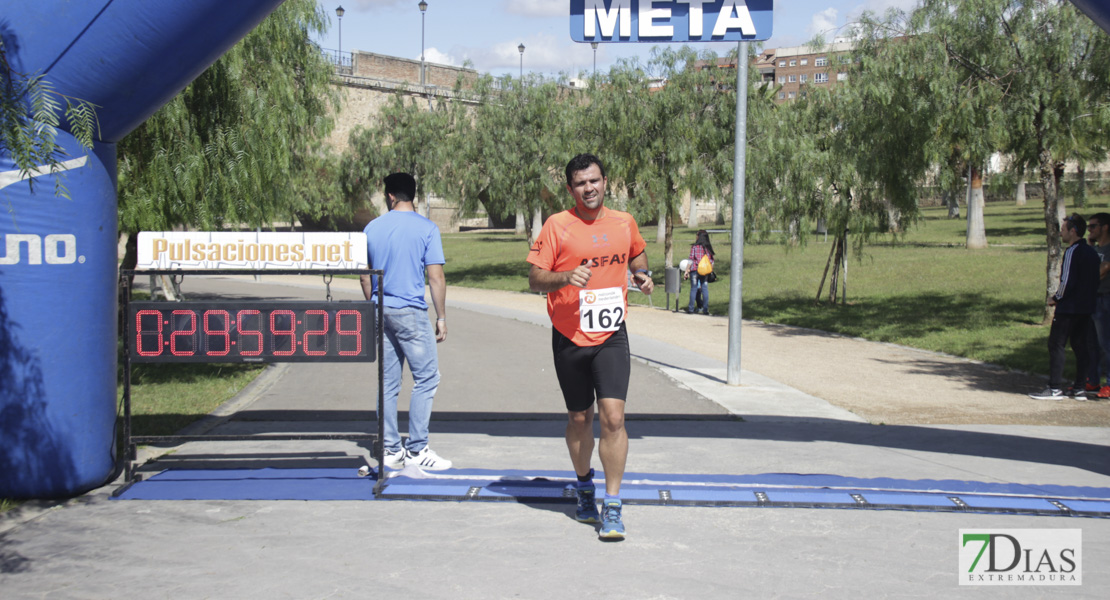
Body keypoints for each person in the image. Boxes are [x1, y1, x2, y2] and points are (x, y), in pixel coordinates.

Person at [527, 153, 654, 540]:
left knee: (614, 418)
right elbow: (535, 279)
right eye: (581, 183)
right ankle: (584, 485)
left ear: (605, 182)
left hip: (612, 332)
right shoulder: (557, 226)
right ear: (571, 189)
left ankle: (612, 506)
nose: (589, 188)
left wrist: (642, 274)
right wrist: (565, 276)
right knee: (580, 419)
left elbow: (636, 253)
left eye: (595, 181)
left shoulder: (623, 222)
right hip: (569, 335)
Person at [360, 172, 452, 470]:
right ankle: (416, 448)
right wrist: (441, 317)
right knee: (427, 378)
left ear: (389, 196)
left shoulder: (371, 228)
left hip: (381, 307)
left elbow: (365, 274)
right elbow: (435, 277)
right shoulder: (427, 228)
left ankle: (389, 449)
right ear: (413, 194)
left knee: (387, 382)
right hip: (411, 312)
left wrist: (373, 303)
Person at [1030, 213, 1100, 401]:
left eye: (1063, 230)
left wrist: (1056, 298)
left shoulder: (1072, 251)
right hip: (1086, 307)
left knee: (1056, 344)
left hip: (1069, 308)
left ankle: (1054, 388)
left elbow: (1067, 280)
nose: (1061, 233)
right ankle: (1079, 388)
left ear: (1073, 231)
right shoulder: (1092, 253)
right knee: (1080, 346)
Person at [1087, 212, 1110, 399]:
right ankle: (1093, 380)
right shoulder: (1094, 249)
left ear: (1104, 227)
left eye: (1092, 227)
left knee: (1106, 344)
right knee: (1092, 343)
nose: (1089, 230)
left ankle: (1109, 384)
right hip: (1094, 299)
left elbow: (1102, 270)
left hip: (1106, 298)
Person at [684, 229, 715, 315]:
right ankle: (705, 310)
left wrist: (687, 270)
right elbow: (712, 261)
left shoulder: (694, 247)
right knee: (705, 289)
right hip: (704, 272)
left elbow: (691, 259)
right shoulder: (708, 248)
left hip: (694, 270)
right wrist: (711, 270)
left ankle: (691, 309)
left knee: (693, 289)